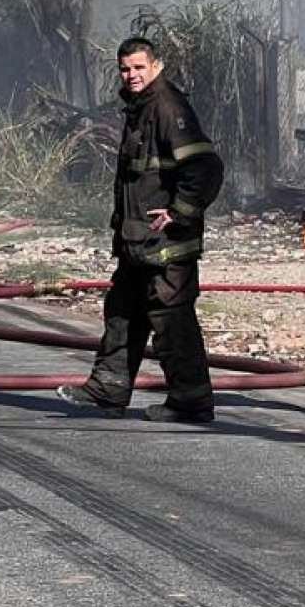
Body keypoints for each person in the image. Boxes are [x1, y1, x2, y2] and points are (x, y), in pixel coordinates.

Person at [56, 36, 225, 423]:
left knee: (171, 321)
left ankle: (190, 401)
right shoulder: (141, 107)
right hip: (138, 241)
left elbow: (205, 168)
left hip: (166, 244)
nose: (131, 75)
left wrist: (179, 212)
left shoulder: (167, 107)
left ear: (156, 67)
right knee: (122, 312)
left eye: (138, 68)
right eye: (125, 69)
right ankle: (107, 391)